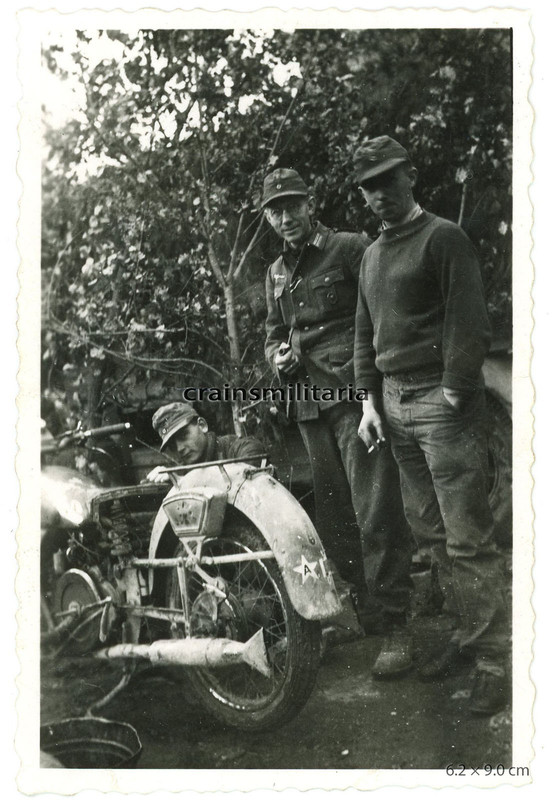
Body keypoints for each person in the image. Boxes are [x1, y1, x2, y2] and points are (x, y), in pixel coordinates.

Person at [354, 136, 509, 714]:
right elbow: (364, 338)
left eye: (388, 180)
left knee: (469, 537)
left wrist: (451, 392)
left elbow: (470, 323)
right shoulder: (371, 255)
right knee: (430, 536)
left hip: (442, 410)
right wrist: (370, 403)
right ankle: (462, 644)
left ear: (410, 176)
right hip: (392, 410)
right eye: (369, 186)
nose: (379, 194)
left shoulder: (443, 237)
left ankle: (494, 661)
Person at [263, 167, 414, 676]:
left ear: (310, 203)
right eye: (275, 210)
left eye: (293, 205)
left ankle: (397, 626)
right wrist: (277, 356)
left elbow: (380, 310)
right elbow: (272, 331)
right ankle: (360, 614)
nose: (286, 217)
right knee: (331, 516)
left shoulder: (350, 248)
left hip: (351, 396)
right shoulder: (276, 273)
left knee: (375, 508)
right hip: (307, 404)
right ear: (268, 217)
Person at [146, 401, 265, 483]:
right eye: (172, 445)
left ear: (202, 425)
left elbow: (245, 478)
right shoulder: (183, 471)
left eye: (183, 436)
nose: (179, 448)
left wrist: (183, 483)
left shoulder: (240, 448)